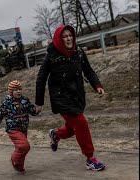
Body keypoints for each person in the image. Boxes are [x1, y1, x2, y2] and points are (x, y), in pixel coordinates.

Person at [35, 24, 106, 171]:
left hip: (77, 95)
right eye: (65, 36)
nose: (68, 39)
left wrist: (97, 85)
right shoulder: (51, 56)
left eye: (70, 36)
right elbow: (41, 78)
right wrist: (39, 102)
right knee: (81, 123)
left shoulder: (78, 52)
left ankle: (55, 134)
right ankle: (90, 159)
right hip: (60, 98)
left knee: (73, 128)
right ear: (59, 39)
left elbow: (88, 71)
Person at [0, 80, 37, 174]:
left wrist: (37, 110)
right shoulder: (7, 102)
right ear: (11, 92)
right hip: (13, 129)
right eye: (16, 90)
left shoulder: (25, 100)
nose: (18, 91)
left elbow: (32, 110)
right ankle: (14, 159)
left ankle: (19, 166)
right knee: (25, 146)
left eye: (20, 89)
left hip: (23, 128)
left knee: (21, 149)